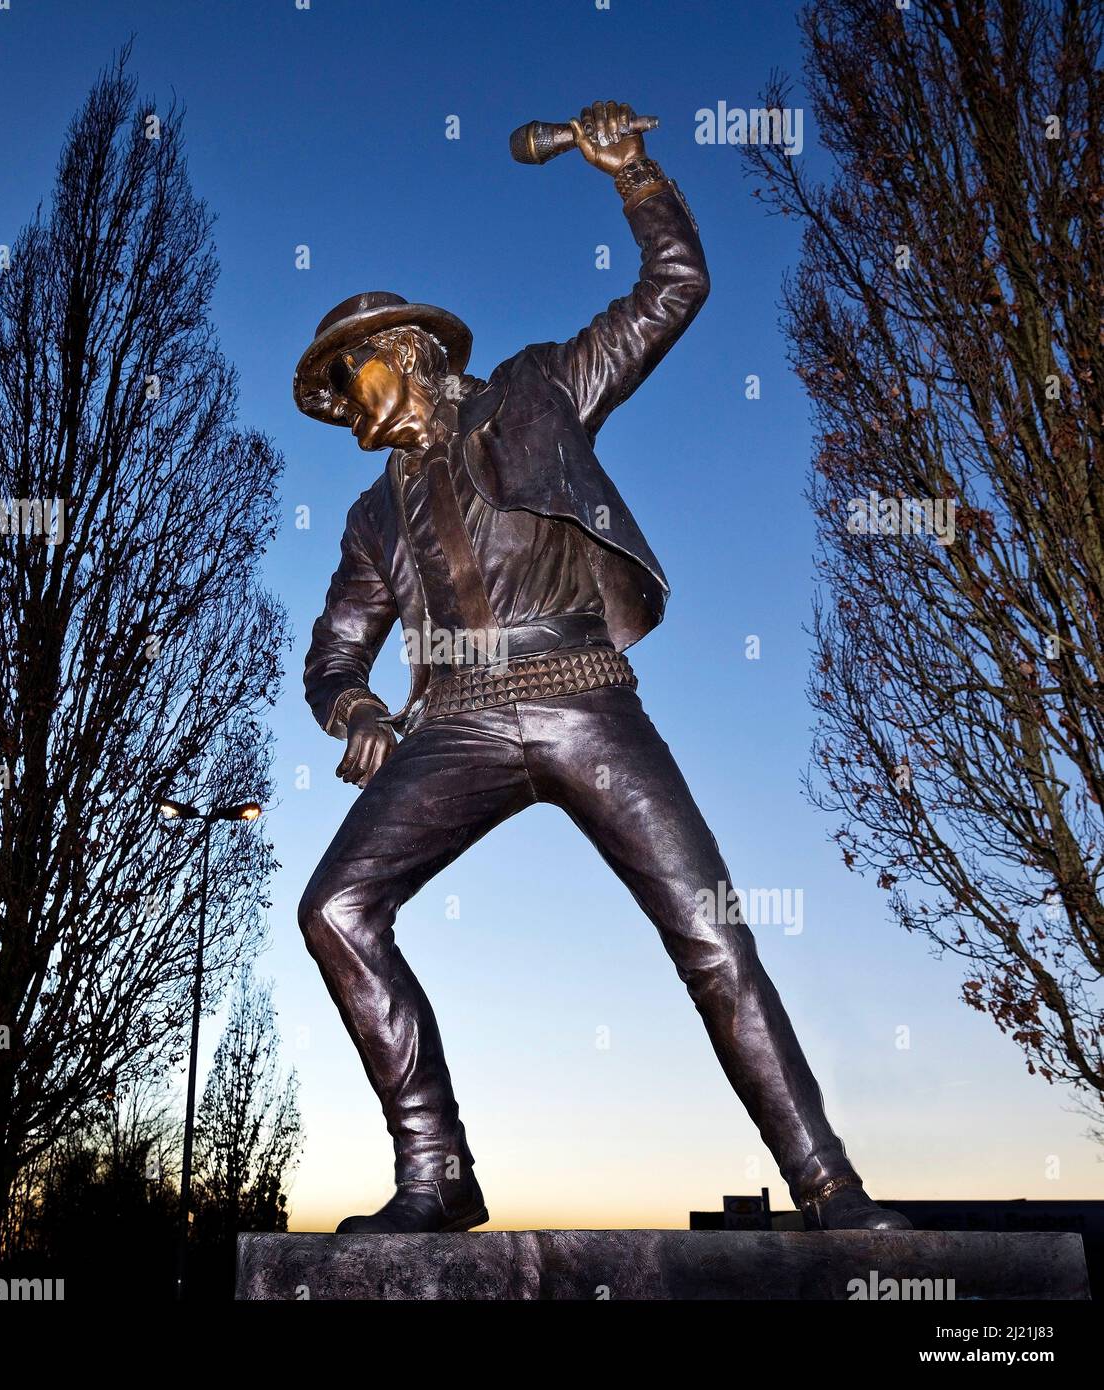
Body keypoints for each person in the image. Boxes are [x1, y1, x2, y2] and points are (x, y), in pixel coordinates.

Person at [293, 100, 910, 1236]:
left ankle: (828, 1187)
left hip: (582, 696)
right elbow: (333, 654)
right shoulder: (370, 517)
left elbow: (672, 291)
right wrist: (360, 705)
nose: (342, 406)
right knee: (334, 905)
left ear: (402, 351)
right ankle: (437, 1173)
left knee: (712, 931)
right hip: (454, 727)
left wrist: (634, 177)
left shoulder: (537, 389)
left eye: (349, 377)